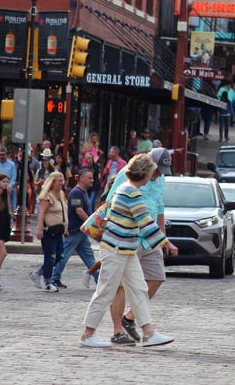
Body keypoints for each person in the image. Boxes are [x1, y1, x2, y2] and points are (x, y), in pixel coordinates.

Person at [79, 153, 173, 348]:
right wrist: (166, 243)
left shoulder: (125, 188)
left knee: (139, 289)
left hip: (126, 249)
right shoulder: (131, 192)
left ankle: (149, 333)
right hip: (116, 249)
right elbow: (146, 223)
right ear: (145, 174)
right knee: (106, 291)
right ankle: (88, 334)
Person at [106, 146, 179, 345]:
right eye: (156, 171)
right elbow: (110, 202)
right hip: (128, 238)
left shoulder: (160, 179)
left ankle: (129, 319)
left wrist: (163, 237)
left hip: (150, 238)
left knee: (155, 279)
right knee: (121, 287)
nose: (158, 176)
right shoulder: (127, 176)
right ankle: (117, 330)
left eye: (162, 173)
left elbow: (159, 207)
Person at [49, 169, 99, 289]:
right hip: (74, 231)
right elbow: (79, 210)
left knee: (89, 256)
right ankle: (53, 278)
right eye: (89, 178)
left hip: (81, 232)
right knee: (64, 256)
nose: (92, 180)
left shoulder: (83, 192)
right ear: (82, 179)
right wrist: (90, 223)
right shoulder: (76, 193)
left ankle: (99, 278)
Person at [34, 171, 68, 292]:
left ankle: (38, 273)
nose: (62, 183)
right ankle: (48, 282)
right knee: (50, 257)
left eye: (62, 180)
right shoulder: (47, 196)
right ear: (52, 183)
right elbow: (41, 213)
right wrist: (40, 229)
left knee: (59, 256)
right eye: (59, 180)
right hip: (48, 231)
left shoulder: (61, 194)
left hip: (59, 230)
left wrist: (66, 227)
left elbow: (63, 212)